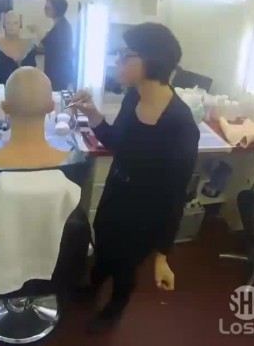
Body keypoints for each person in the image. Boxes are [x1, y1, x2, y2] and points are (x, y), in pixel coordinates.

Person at [72, 23, 200, 332]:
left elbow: (175, 195)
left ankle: (114, 309)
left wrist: (162, 255)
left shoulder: (180, 125)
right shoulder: (132, 97)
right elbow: (118, 142)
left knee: (125, 266)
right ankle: (93, 286)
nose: (117, 61)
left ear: (151, 60)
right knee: (103, 247)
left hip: (145, 213)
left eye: (125, 55)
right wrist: (92, 114)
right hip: (116, 193)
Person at [28, 0, 73, 91]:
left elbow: (52, 45)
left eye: (48, 8)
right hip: (57, 73)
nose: (45, 10)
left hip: (58, 74)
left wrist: (38, 31)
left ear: (56, 9)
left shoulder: (62, 27)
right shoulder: (61, 26)